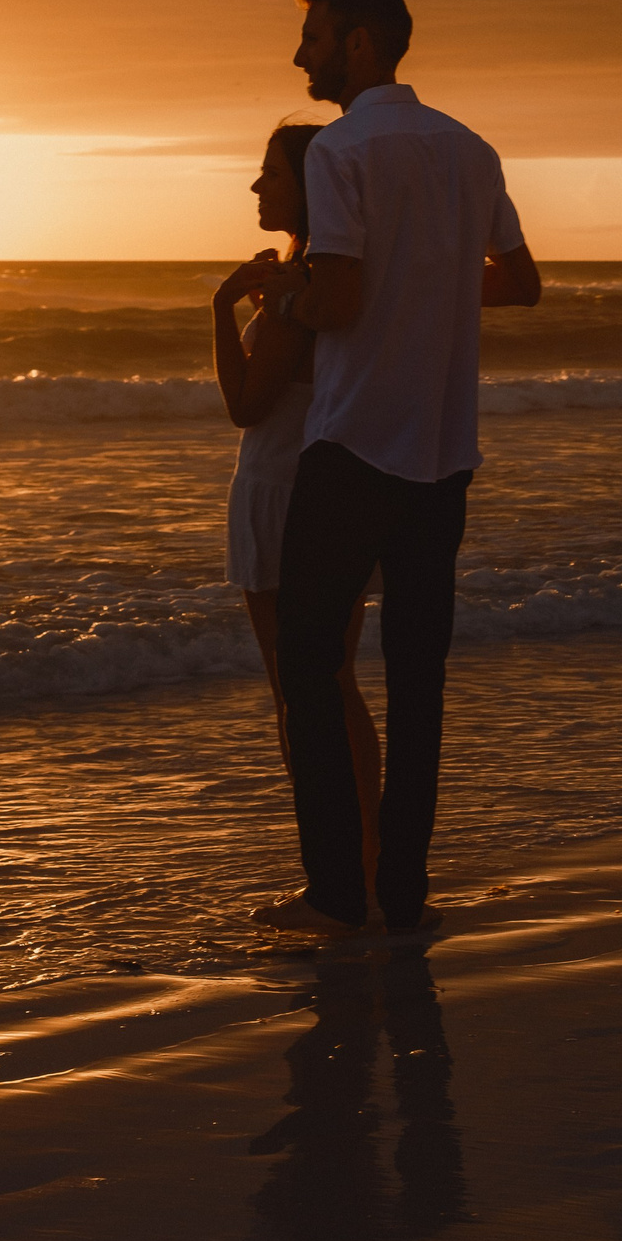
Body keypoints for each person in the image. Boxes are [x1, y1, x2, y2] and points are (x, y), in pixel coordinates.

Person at [231, 0, 542, 936]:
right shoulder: (469, 149)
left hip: (356, 444)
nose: (302, 55)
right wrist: (437, 284)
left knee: (312, 667)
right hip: (445, 452)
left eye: (315, 38)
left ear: (360, 42)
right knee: (417, 681)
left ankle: (334, 894)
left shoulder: (344, 151)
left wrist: (276, 300)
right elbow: (521, 282)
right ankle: (400, 892)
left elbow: (341, 300)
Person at [211, 121, 382, 905]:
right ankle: (368, 853)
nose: (256, 186)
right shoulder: (325, 279)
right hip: (332, 486)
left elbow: (247, 404)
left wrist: (220, 308)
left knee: (297, 693)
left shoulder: (290, 293)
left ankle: (331, 872)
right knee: (338, 683)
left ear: (304, 187)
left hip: (278, 490)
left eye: (267, 173)